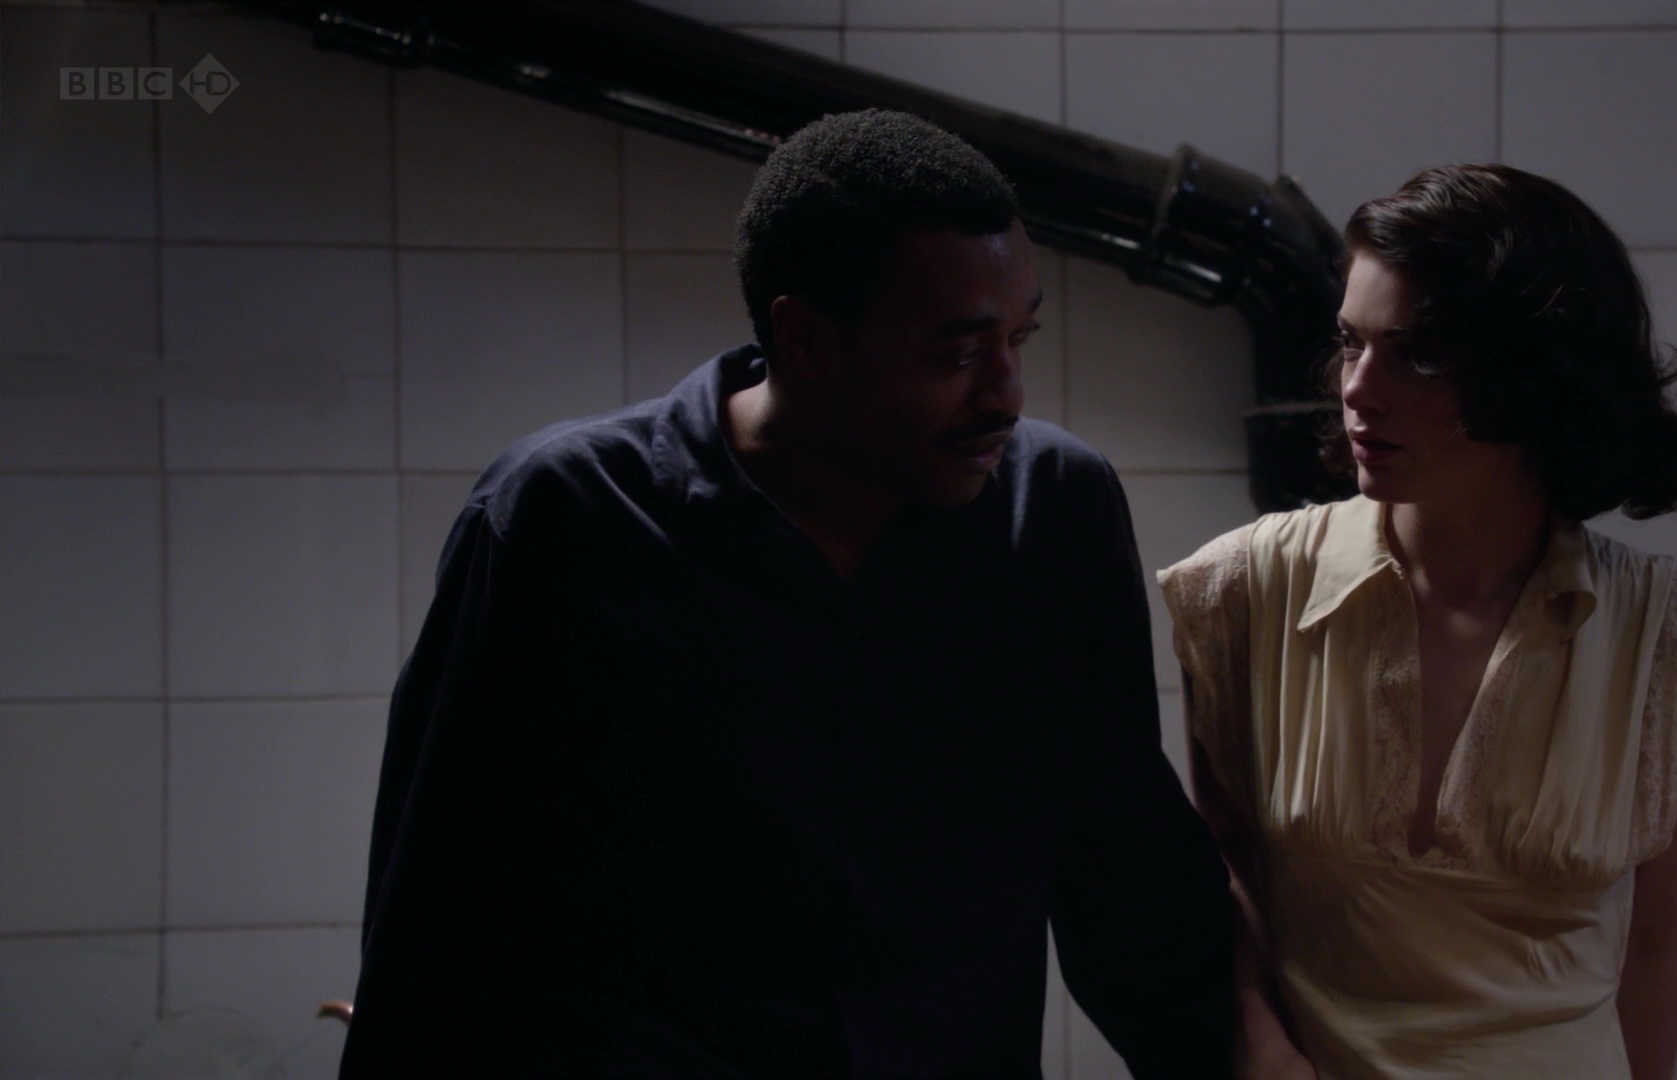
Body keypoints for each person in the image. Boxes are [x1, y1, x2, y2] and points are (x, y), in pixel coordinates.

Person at [339, 109, 1233, 1078]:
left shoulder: (1056, 512)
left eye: (1020, 338)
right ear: (803, 340)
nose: (1007, 394)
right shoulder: (564, 517)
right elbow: (444, 919)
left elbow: (1127, 882)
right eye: (957, 354)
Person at [1159, 163, 1677, 1080]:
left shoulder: (1672, 630)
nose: (1359, 388)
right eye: (1351, 342)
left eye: (1419, 352)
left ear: (1538, 372)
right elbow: (1219, 870)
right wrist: (1261, 1048)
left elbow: (1660, 943)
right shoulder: (1244, 588)